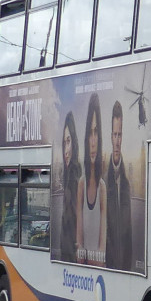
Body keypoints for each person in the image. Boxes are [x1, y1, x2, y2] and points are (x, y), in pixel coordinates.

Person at [75, 95, 106, 267]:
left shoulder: (102, 187)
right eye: (90, 134)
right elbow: (79, 239)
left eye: (97, 133)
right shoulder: (81, 183)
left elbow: (102, 247)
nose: (93, 141)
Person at [104, 100, 133, 271]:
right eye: (114, 135)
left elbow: (128, 236)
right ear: (110, 137)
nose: (116, 141)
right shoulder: (103, 181)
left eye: (119, 135)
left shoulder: (126, 184)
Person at [58, 112, 82, 263]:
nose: (66, 150)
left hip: (72, 254)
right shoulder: (67, 175)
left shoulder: (76, 176)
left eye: (69, 141)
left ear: (75, 143)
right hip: (66, 253)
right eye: (64, 143)